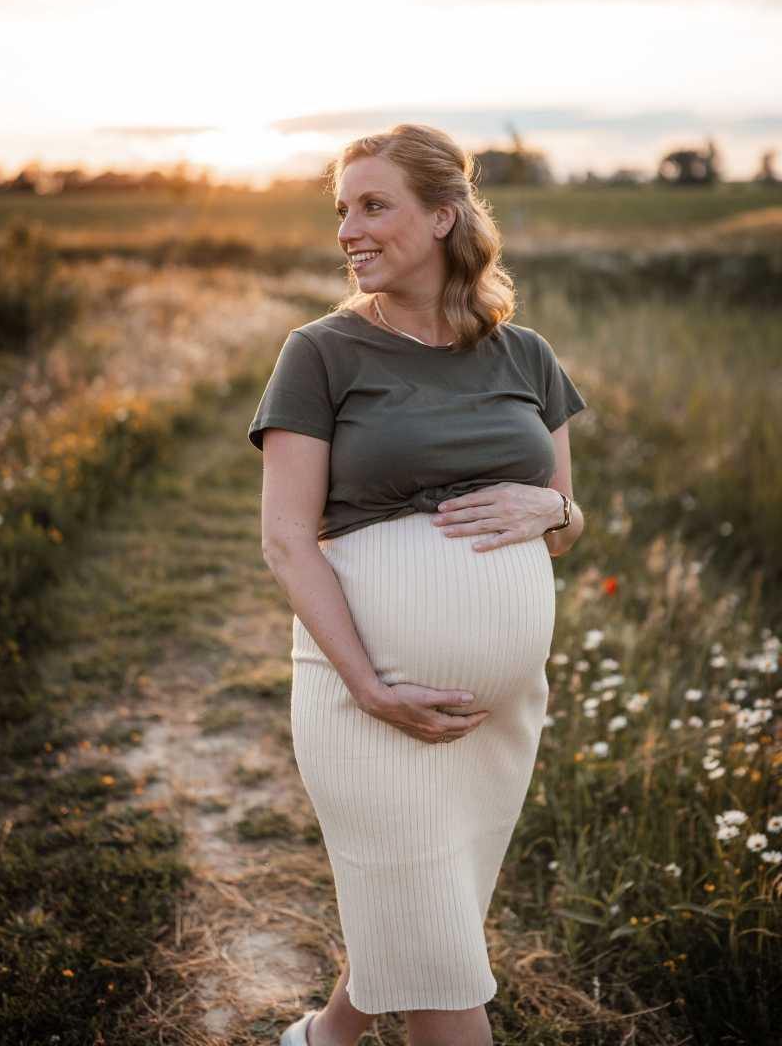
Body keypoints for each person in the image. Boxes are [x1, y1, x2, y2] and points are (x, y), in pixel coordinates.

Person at [247, 123, 588, 1046]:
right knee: (440, 958)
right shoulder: (320, 352)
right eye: (341, 211)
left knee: (430, 911)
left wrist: (553, 514)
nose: (349, 229)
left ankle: (324, 1038)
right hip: (369, 699)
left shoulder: (527, 357)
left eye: (373, 205)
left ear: (443, 216)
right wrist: (369, 685)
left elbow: (569, 518)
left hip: (498, 717)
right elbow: (286, 540)